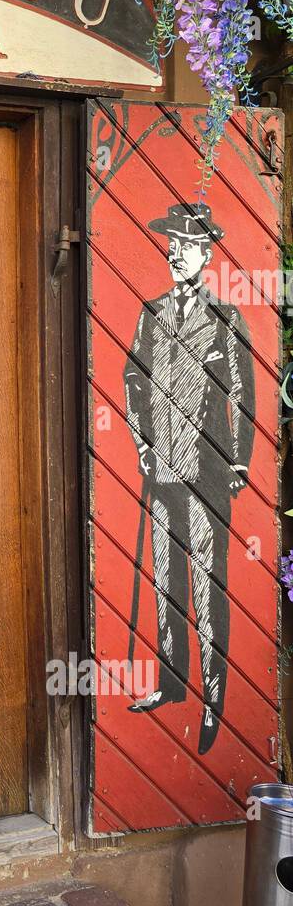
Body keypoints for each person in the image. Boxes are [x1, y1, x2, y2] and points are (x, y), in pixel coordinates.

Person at [123, 201, 255, 754]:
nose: (176, 249)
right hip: (162, 469)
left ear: (206, 253)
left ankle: (214, 697)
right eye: (171, 240)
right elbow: (132, 380)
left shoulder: (226, 317)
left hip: (206, 472)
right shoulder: (149, 313)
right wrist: (142, 442)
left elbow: (244, 393)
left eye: (187, 242)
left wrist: (241, 459)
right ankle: (171, 686)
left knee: (207, 584)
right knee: (166, 582)